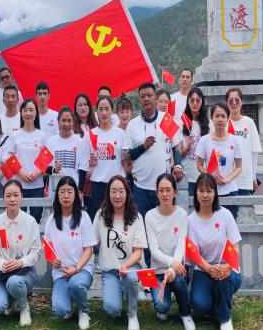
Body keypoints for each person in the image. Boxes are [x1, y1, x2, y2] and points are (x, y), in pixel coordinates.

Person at [122, 83, 184, 263]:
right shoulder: (133, 125)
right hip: (140, 187)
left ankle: (169, 266)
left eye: (150, 95)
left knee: (165, 228)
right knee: (144, 230)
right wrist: (143, 147)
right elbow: (126, 155)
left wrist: (177, 166)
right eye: (143, 96)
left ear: (156, 98)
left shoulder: (166, 119)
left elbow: (177, 145)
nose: (146, 99)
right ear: (139, 100)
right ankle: (150, 269)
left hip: (163, 188)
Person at [187, 173, 241, 330]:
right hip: (203, 270)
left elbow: (235, 246)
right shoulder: (191, 220)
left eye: (209, 191)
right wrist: (208, 268)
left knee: (224, 279)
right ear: (196, 193)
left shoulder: (225, 215)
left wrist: (228, 266)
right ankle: (217, 305)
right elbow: (194, 254)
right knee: (200, 305)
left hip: (226, 268)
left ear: (215, 193)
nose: (205, 195)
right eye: (201, 190)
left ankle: (225, 318)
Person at [93, 175, 147, 330]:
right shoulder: (101, 215)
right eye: (114, 191)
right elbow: (95, 242)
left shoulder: (136, 217)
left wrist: (126, 265)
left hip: (130, 267)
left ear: (127, 193)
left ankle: (132, 313)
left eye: (121, 191)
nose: (117, 196)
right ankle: (119, 294)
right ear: (108, 193)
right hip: (110, 270)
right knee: (112, 309)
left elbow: (138, 251)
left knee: (130, 278)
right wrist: (107, 255)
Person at [43, 176, 96, 330]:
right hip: (61, 272)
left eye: (69, 192)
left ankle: (83, 311)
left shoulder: (83, 217)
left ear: (76, 194)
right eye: (62, 192)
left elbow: (89, 250)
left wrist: (77, 268)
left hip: (82, 268)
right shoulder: (52, 220)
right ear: (57, 195)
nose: (66, 196)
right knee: (60, 310)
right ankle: (71, 302)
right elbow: (47, 247)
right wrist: (53, 261)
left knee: (76, 284)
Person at [0, 179, 42, 326]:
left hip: (25, 272)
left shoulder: (30, 222)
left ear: (21, 196)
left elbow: (36, 252)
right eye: (8, 195)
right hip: (4, 273)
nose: (12, 199)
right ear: (3, 198)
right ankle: (13, 299)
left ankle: (23, 307)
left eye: (16, 195)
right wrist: (2, 264)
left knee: (14, 282)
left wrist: (21, 262)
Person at [145, 173, 195, 330]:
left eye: (168, 190)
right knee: (162, 308)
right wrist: (170, 263)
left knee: (179, 282)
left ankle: (185, 313)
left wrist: (173, 269)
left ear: (175, 192)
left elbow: (181, 246)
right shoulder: (150, 216)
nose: (165, 194)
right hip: (158, 271)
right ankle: (162, 307)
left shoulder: (182, 215)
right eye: (161, 190)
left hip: (177, 268)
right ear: (157, 193)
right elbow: (153, 251)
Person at [196, 103, 242, 218]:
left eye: (223, 116)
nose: (220, 119)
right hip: (210, 192)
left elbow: (239, 167)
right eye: (217, 116)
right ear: (212, 118)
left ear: (228, 118)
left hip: (230, 191)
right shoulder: (204, 140)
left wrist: (227, 179)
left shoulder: (235, 140)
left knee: (230, 225)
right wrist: (211, 177)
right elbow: (199, 165)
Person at [86, 95, 125, 221]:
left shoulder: (120, 133)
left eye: (107, 109)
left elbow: (125, 160)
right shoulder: (91, 134)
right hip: (97, 185)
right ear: (96, 111)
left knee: (117, 220)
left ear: (112, 111)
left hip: (116, 184)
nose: (104, 113)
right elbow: (84, 161)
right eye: (101, 109)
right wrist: (90, 162)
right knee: (97, 221)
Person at [12, 98, 47, 222]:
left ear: (36, 113)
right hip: (18, 185)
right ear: (21, 113)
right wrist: (21, 173)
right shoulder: (15, 135)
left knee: (35, 220)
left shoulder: (41, 135)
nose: (28, 113)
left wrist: (37, 173)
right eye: (25, 110)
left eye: (31, 110)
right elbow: (10, 159)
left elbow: (45, 158)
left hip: (37, 185)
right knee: (18, 220)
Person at [225, 88, 262, 195]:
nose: (234, 103)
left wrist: (253, 177)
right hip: (226, 177)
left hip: (244, 177)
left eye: (237, 100)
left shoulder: (249, 123)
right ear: (226, 103)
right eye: (230, 101)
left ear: (242, 102)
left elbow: (254, 152)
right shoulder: (223, 123)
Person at [181, 87, 210, 205]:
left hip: (204, 176)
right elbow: (178, 154)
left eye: (198, 100)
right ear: (187, 102)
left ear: (202, 102)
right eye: (192, 100)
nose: (195, 103)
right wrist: (187, 147)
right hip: (187, 176)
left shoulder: (209, 124)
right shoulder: (181, 124)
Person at [45, 107, 90, 184]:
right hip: (55, 188)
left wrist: (80, 189)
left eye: (69, 121)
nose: (66, 124)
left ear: (73, 122)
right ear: (58, 121)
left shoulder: (80, 142)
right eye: (63, 120)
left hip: (73, 188)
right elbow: (43, 166)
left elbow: (83, 169)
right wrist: (53, 169)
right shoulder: (50, 141)